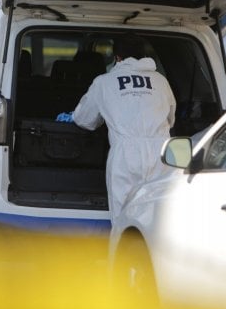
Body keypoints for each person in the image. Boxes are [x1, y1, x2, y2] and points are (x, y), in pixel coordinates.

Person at [56, 33, 176, 219]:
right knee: (160, 219)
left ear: (117, 57)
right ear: (144, 55)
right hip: (162, 153)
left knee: (124, 218)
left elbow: (85, 120)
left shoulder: (104, 82)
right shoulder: (161, 81)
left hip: (126, 157)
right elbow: (171, 118)